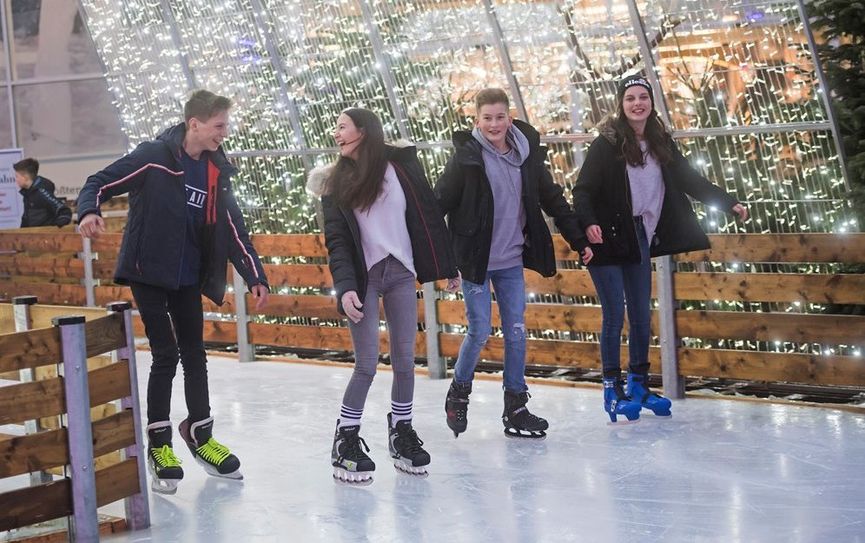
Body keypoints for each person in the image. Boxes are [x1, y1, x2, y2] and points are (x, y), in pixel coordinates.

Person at [77, 90, 270, 494]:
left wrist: (255, 275)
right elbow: (100, 181)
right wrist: (90, 210)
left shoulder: (216, 170)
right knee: (165, 354)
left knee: (195, 354)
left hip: (187, 276)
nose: (224, 133)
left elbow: (232, 228)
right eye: (219, 126)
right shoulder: (155, 156)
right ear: (194, 124)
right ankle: (160, 444)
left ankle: (201, 434)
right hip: (148, 271)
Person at [572, 74, 748, 424]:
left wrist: (729, 204)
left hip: (638, 235)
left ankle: (638, 384)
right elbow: (583, 190)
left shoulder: (660, 142)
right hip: (605, 238)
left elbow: (690, 180)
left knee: (640, 315)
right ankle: (612, 389)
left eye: (643, 97)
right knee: (614, 315)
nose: (637, 103)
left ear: (651, 103)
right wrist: (588, 224)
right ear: (621, 105)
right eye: (630, 98)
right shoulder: (606, 143)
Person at [307, 108, 457, 485]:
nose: (337, 134)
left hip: (402, 273)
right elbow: (338, 242)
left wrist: (447, 265)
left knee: (406, 360)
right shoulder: (334, 182)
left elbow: (428, 218)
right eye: (336, 129)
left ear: (364, 131)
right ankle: (345, 439)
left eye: (342, 127)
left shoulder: (400, 168)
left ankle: (401, 431)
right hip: (365, 278)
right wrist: (346, 288)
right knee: (367, 365)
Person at [434, 88, 593, 440]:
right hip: (475, 261)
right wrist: (444, 264)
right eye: (487, 118)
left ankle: (516, 407)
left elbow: (552, 198)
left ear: (510, 117)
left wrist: (578, 240)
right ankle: (458, 394)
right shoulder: (466, 159)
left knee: (517, 330)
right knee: (479, 330)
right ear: (476, 120)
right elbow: (437, 207)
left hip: (510, 259)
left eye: (500, 117)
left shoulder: (526, 154)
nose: (494, 124)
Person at [14, 158, 72, 228]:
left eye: (17, 176)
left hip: (45, 236)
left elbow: (64, 211)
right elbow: (26, 218)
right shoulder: (27, 194)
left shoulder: (41, 193)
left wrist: (54, 228)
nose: (16, 180)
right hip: (33, 236)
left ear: (25, 177)